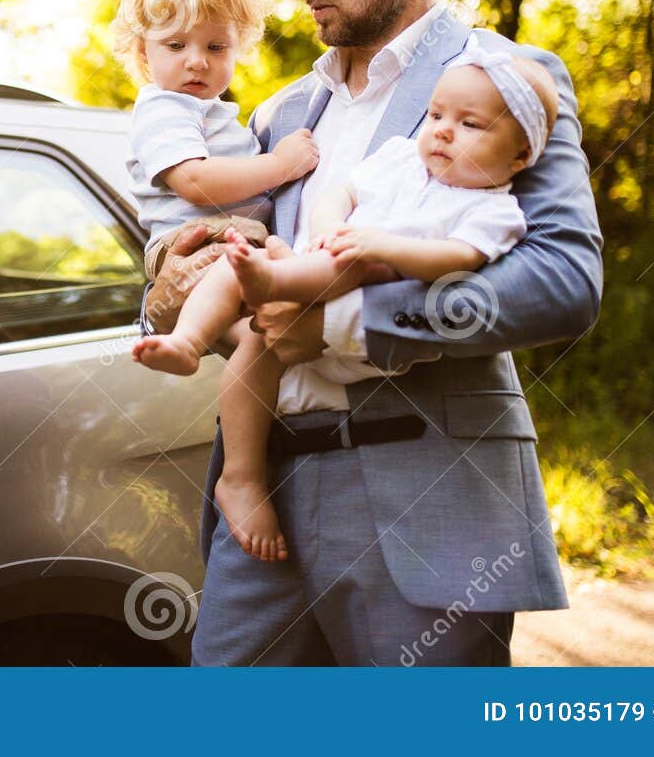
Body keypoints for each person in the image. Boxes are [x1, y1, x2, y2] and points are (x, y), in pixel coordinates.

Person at [143, 0, 603, 666]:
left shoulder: (503, 80)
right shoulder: (281, 115)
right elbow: (221, 253)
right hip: (264, 499)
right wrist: (171, 278)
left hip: (425, 500)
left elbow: (564, 280)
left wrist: (346, 327)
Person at [137, 41, 559, 564]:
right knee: (240, 267)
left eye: (470, 125)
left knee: (351, 266)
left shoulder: (495, 199)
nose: (444, 130)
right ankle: (220, 423)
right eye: (434, 115)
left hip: (405, 462)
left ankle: (271, 281)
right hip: (282, 433)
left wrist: (362, 268)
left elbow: (533, 278)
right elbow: (335, 194)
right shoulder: (295, 117)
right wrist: (161, 305)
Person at [114, 0, 320, 563]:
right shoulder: (162, 108)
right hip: (196, 243)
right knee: (241, 273)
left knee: (261, 344)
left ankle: (242, 475)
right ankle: (185, 342)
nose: (196, 62)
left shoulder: (213, 110)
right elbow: (197, 182)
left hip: (226, 245)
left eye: (216, 46)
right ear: (141, 49)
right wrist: (279, 166)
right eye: (175, 46)